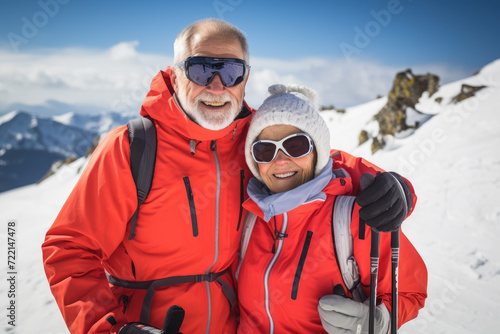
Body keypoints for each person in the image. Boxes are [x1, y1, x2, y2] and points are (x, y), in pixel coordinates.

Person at [42, 18, 423, 334]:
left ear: (245, 78)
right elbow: (69, 249)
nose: (217, 85)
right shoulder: (134, 147)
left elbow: (316, 162)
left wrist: (396, 188)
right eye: (201, 68)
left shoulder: (253, 139)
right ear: (175, 75)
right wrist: (106, 329)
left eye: (230, 70)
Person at [236, 84, 427, 333]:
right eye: (265, 150)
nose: (280, 160)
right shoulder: (247, 216)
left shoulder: (354, 218)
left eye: (295, 146)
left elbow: (411, 292)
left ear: (318, 152)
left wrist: (380, 320)